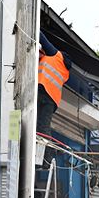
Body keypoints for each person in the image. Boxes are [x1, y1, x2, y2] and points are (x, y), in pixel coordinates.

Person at [37, 31, 72, 167]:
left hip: (43, 92)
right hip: (52, 100)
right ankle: (45, 160)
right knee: (42, 127)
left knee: (37, 126)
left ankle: (47, 155)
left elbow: (41, 37)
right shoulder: (65, 70)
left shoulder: (55, 55)